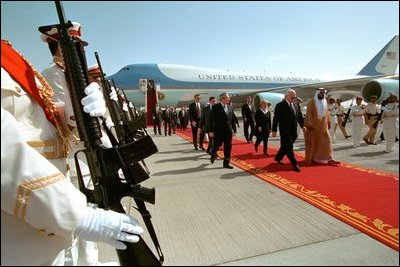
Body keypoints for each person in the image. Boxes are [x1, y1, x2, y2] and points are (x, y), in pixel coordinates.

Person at [1, 39, 143, 266]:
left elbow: (34, 117)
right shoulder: (50, 71)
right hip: (20, 239)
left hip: (47, 227)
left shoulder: (8, 55)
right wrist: (76, 215)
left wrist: (70, 114)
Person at [304, 88, 340, 165]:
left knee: (328, 141)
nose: (322, 94)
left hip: (324, 126)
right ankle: (315, 158)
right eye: (321, 93)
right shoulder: (311, 103)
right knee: (315, 143)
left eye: (323, 93)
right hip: (314, 126)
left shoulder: (325, 102)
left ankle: (329, 158)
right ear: (317, 93)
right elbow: (309, 114)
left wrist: (329, 122)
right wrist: (310, 124)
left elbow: (326, 114)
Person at [271, 89, 304, 172]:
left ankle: (278, 157)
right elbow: (276, 119)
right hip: (284, 130)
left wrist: (303, 126)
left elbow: (299, 117)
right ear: (287, 96)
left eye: (294, 96)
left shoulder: (296, 105)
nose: (294, 98)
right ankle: (294, 164)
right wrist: (274, 130)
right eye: (292, 96)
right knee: (289, 147)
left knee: (285, 146)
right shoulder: (280, 105)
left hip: (294, 131)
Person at [209, 93, 237, 169]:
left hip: (228, 131)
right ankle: (213, 154)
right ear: (223, 99)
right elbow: (211, 120)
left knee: (228, 147)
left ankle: (226, 163)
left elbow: (232, 119)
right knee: (217, 145)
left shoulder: (230, 107)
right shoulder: (215, 107)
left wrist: (234, 130)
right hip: (218, 131)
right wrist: (210, 131)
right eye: (227, 98)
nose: (229, 99)